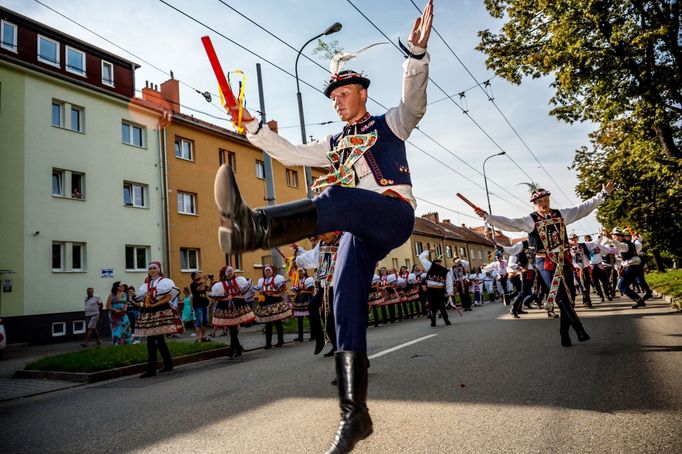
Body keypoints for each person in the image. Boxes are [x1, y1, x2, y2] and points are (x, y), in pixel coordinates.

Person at [212, 2, 433, 451]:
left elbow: (414, 103)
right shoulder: (331, 143)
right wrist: (248, 122)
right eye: (332, 96)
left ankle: (256, 228)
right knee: (343, 301)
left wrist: (416, 55)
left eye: (342, 93)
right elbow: (289, 152)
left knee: (330, 196)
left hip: (391, 216)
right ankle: (355, 415)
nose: (336, 100)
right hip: (357, 231)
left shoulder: (390, 122)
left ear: (361, 92)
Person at [475, 181, 614, 346]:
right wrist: (488, 217)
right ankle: (579, 329)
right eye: (540, 201)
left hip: (564, 259)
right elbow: (509, 222)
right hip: (544, 261)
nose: (544, 203)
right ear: (535, 204)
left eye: (546, 200)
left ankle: (564, 333)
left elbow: (582, 209)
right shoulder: (530, 220)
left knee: (569, 298)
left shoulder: (561, 214)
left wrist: (602, 195)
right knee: (560, 295)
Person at [293, 232, 341, 356]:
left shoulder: (346, 239)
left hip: (343, 286)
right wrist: (297, 260)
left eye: (324, 234)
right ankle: (324, 340)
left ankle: (351, 353)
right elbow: (312, 258)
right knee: (320, 312)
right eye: (320, 235)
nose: (322, 237)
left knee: (339, 320)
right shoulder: (322, 244)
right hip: (326, 287)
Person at [134, 261, 181, 378]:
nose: (151, 271)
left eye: (154, 268)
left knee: (154, 340)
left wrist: (153, 305)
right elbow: (144, 300)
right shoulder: (145, 285)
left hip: (161, 310)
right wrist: (141, 304)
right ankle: (167, 364)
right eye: (150, 269)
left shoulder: (165, 282)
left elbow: (169, 296)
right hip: (150, 312)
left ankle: (152, 369)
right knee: (156, 340)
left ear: (159, 269)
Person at [209, 266, 256, 357]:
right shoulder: (219, 285)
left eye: (231, 271)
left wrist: (237, 296)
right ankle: (236, 349)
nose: (230, 273)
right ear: (224, 274)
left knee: (233, 330)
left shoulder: (239, 280)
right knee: (232, 329)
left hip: (238, 305)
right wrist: (226, 298)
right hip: (226, 307)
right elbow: (217, 297)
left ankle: (233, 350)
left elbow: (244, 291)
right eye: (228, 272)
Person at [254, 266, 291, 349]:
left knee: (278, 323)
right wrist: (260, 292)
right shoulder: (261, 281)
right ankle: (268, 343)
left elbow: (284, 288)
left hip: (275, 303)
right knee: (268, 324)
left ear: (272, 271)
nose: (267, 272)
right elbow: (261, 291)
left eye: (269, 270)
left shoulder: (276, 279)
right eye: (266, 270)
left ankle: (280, 341)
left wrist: (278, 294)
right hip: (266, 304)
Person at [420, 248, 452, 327]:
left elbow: (449, 282)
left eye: (439, 262)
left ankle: (444, 320)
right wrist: (429, 251)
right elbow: (421, 257)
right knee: (433, 306)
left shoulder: (443, 270)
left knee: (440, 306)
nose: (438, 264)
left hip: (438, 290)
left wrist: (449, 291)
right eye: (437, 262)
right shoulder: (432, 267)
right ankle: (434, 321)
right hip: (432, 290)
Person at [291, 268, 314, 342]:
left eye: (301, 271)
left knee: (310, 318)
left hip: (307, 300)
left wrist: (304, 291)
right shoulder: (298, 280)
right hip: (299, 301)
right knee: (299, 319)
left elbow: (312, 291)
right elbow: (298, 291)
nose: (300, 273)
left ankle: (313, 335)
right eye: (299, 271)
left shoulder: (309, 279)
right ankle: (300, 337)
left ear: (304, 272)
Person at [190, 271, 212, 342]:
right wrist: (205, 280)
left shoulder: (201, 283)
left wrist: (211, 281)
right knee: (199, 321)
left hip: (204, 304)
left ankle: (203, 337)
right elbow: (201, 289)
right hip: (198, 305)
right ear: (193, 277)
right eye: (197, 275)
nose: (199, 275)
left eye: (199, 274)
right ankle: (198, 338)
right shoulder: (193, 284)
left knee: (205, 321)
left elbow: (208, 289)